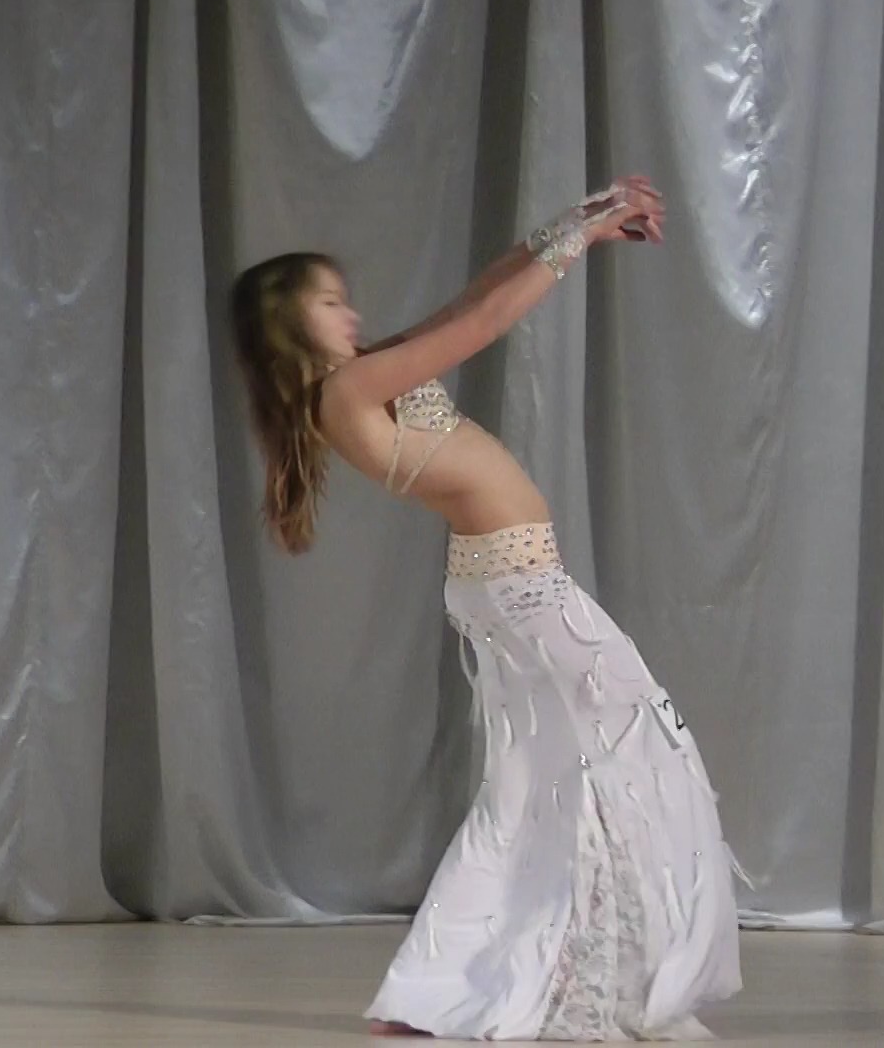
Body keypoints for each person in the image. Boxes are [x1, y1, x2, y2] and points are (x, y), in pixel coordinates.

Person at [229, 178, 741, 1041]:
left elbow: (466, 306)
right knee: (625, 752)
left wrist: (576, 221)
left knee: (539, 781)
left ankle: (450, 987)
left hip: (505, 582)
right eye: (330, 302)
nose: (351, 314)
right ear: (287, 323)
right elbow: (485, 326)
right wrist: (581, 240)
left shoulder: (360, 379)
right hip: (518, 587)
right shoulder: (346, 393)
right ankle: (577, 971)